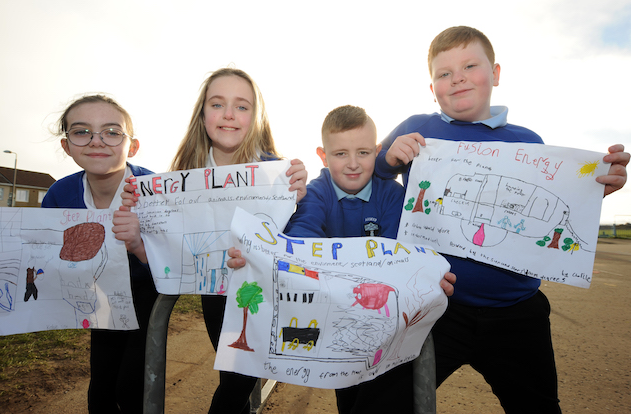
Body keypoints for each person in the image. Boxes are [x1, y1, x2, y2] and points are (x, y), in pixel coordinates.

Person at [374, 26, 630, 414]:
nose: (457, 78)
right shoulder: (418, 127)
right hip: (436, 306)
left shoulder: (528, 141)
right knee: (384, 403)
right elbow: (373, 170)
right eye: (444, 73)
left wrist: (595, 192)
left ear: (495, 74)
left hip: (517, 311)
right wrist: (389, 156)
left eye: (469, 66)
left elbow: (556, 204)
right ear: (432, 89)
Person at [230, 104, 456, 414]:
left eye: (363, 153)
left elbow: (400, 253)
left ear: (376, 152)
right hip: (337, 322)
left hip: (385, 325)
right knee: (348, 397)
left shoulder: (392, 195)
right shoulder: (315, 194)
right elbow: (303, 239)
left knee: (383, 397)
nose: (352, 164)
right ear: (322, 155)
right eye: (340, 154)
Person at [120, 67, 308, 414]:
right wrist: (137, 235)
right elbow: (165, 253)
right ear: (203, 114)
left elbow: (299, 236)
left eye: (242, 106)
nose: (229, 115)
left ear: (256, 116)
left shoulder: (278, 172)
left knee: (239, 380)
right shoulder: (179, 176)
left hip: (263, 288)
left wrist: (297, 195)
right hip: (216, 292)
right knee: (233, 375)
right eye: (218, 104)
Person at [41, 94, 159, 413]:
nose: (96, 141)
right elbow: (44, 256)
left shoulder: (156, 190)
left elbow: (175, 260)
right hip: (98, 296)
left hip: (147, 293)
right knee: (102, 387)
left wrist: (139, 244)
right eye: (81, 132)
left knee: (131, 386)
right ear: (67, 146)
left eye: (111, 131)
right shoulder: (59, 194)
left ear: (132, 146)